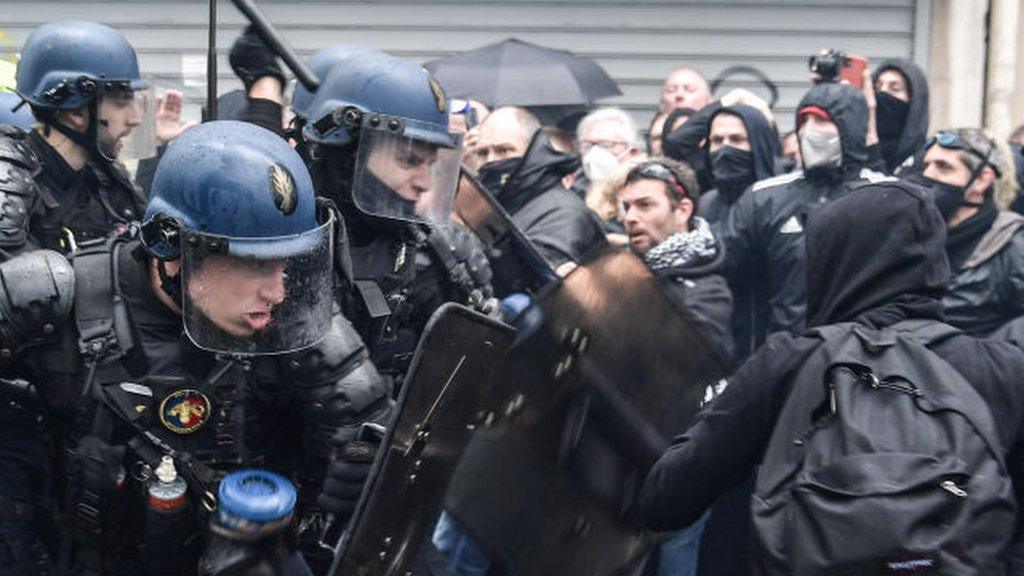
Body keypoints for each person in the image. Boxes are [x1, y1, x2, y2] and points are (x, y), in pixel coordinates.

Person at [0, 121, 391, 575]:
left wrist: (362, 468)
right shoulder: (51, 300)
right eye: (253, 263)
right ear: (172, 245)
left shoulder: (291, 316)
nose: (278, 292)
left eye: (287, 261)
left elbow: (372, 431)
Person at [639, 179, 1024, 576]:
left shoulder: (786, 365)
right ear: (933, 257)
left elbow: (664, 500)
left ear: (828, 261)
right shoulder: (1003, 369)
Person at [300, 52, 497, 388]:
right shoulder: (283, 246)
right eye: (409, 160)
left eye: (430, 164)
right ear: (349, 153)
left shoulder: (440, 252)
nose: (425, 182)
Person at [719, 82, 885, 363]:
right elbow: (722, 264)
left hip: (862, 363)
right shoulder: (765, 198)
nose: (810, 129)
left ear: (851, 128)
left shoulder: (889, 198)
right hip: (782, 361)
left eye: (822, 120)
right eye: (804, 120)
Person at [1, 20, 147, 260]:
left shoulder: (108, 181)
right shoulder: (9, 182)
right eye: (121, 101)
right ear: (77, 111)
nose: (135, 118)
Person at [615, 157, 733, 359]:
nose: (630, 218)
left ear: (682, 211)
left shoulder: (708, 294)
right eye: (627, 207)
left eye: (644, 205)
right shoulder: (621, 269)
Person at [911, 128, 1024, 336]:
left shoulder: (1013, 244)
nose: (928, 175)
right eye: (926, 165)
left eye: (944, 167)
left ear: (981, 179)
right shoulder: (911, 234)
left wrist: (983, 357)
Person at [474, 106, 607, 269]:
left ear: (531, 151)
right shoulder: (488, 206)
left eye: (504, 150)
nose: (491, 160)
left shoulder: (564, 214)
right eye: (482, 153)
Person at [699, 104, 779, 224]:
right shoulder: (705, 205)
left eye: (736, 139)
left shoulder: (783, 202)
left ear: (759, 145)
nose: (725, 149)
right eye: (717, 140)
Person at [871, 59, 929, 174]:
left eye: (895, 89)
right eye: (876, 88)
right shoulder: (855, 153)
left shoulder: (927, 162)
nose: (882, 94)